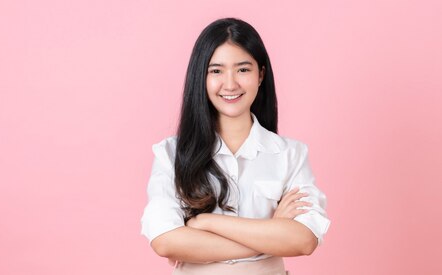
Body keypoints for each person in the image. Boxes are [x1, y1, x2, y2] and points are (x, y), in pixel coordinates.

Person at [140, 18, 331, 274]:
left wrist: (204, 222)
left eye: (243, 69)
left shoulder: (290, 154)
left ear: (260, 75)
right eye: (216, 71)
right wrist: (270, 234)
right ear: (201, 77)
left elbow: (304, 240)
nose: (230, 84)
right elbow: (165, 240)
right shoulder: (171, 154)